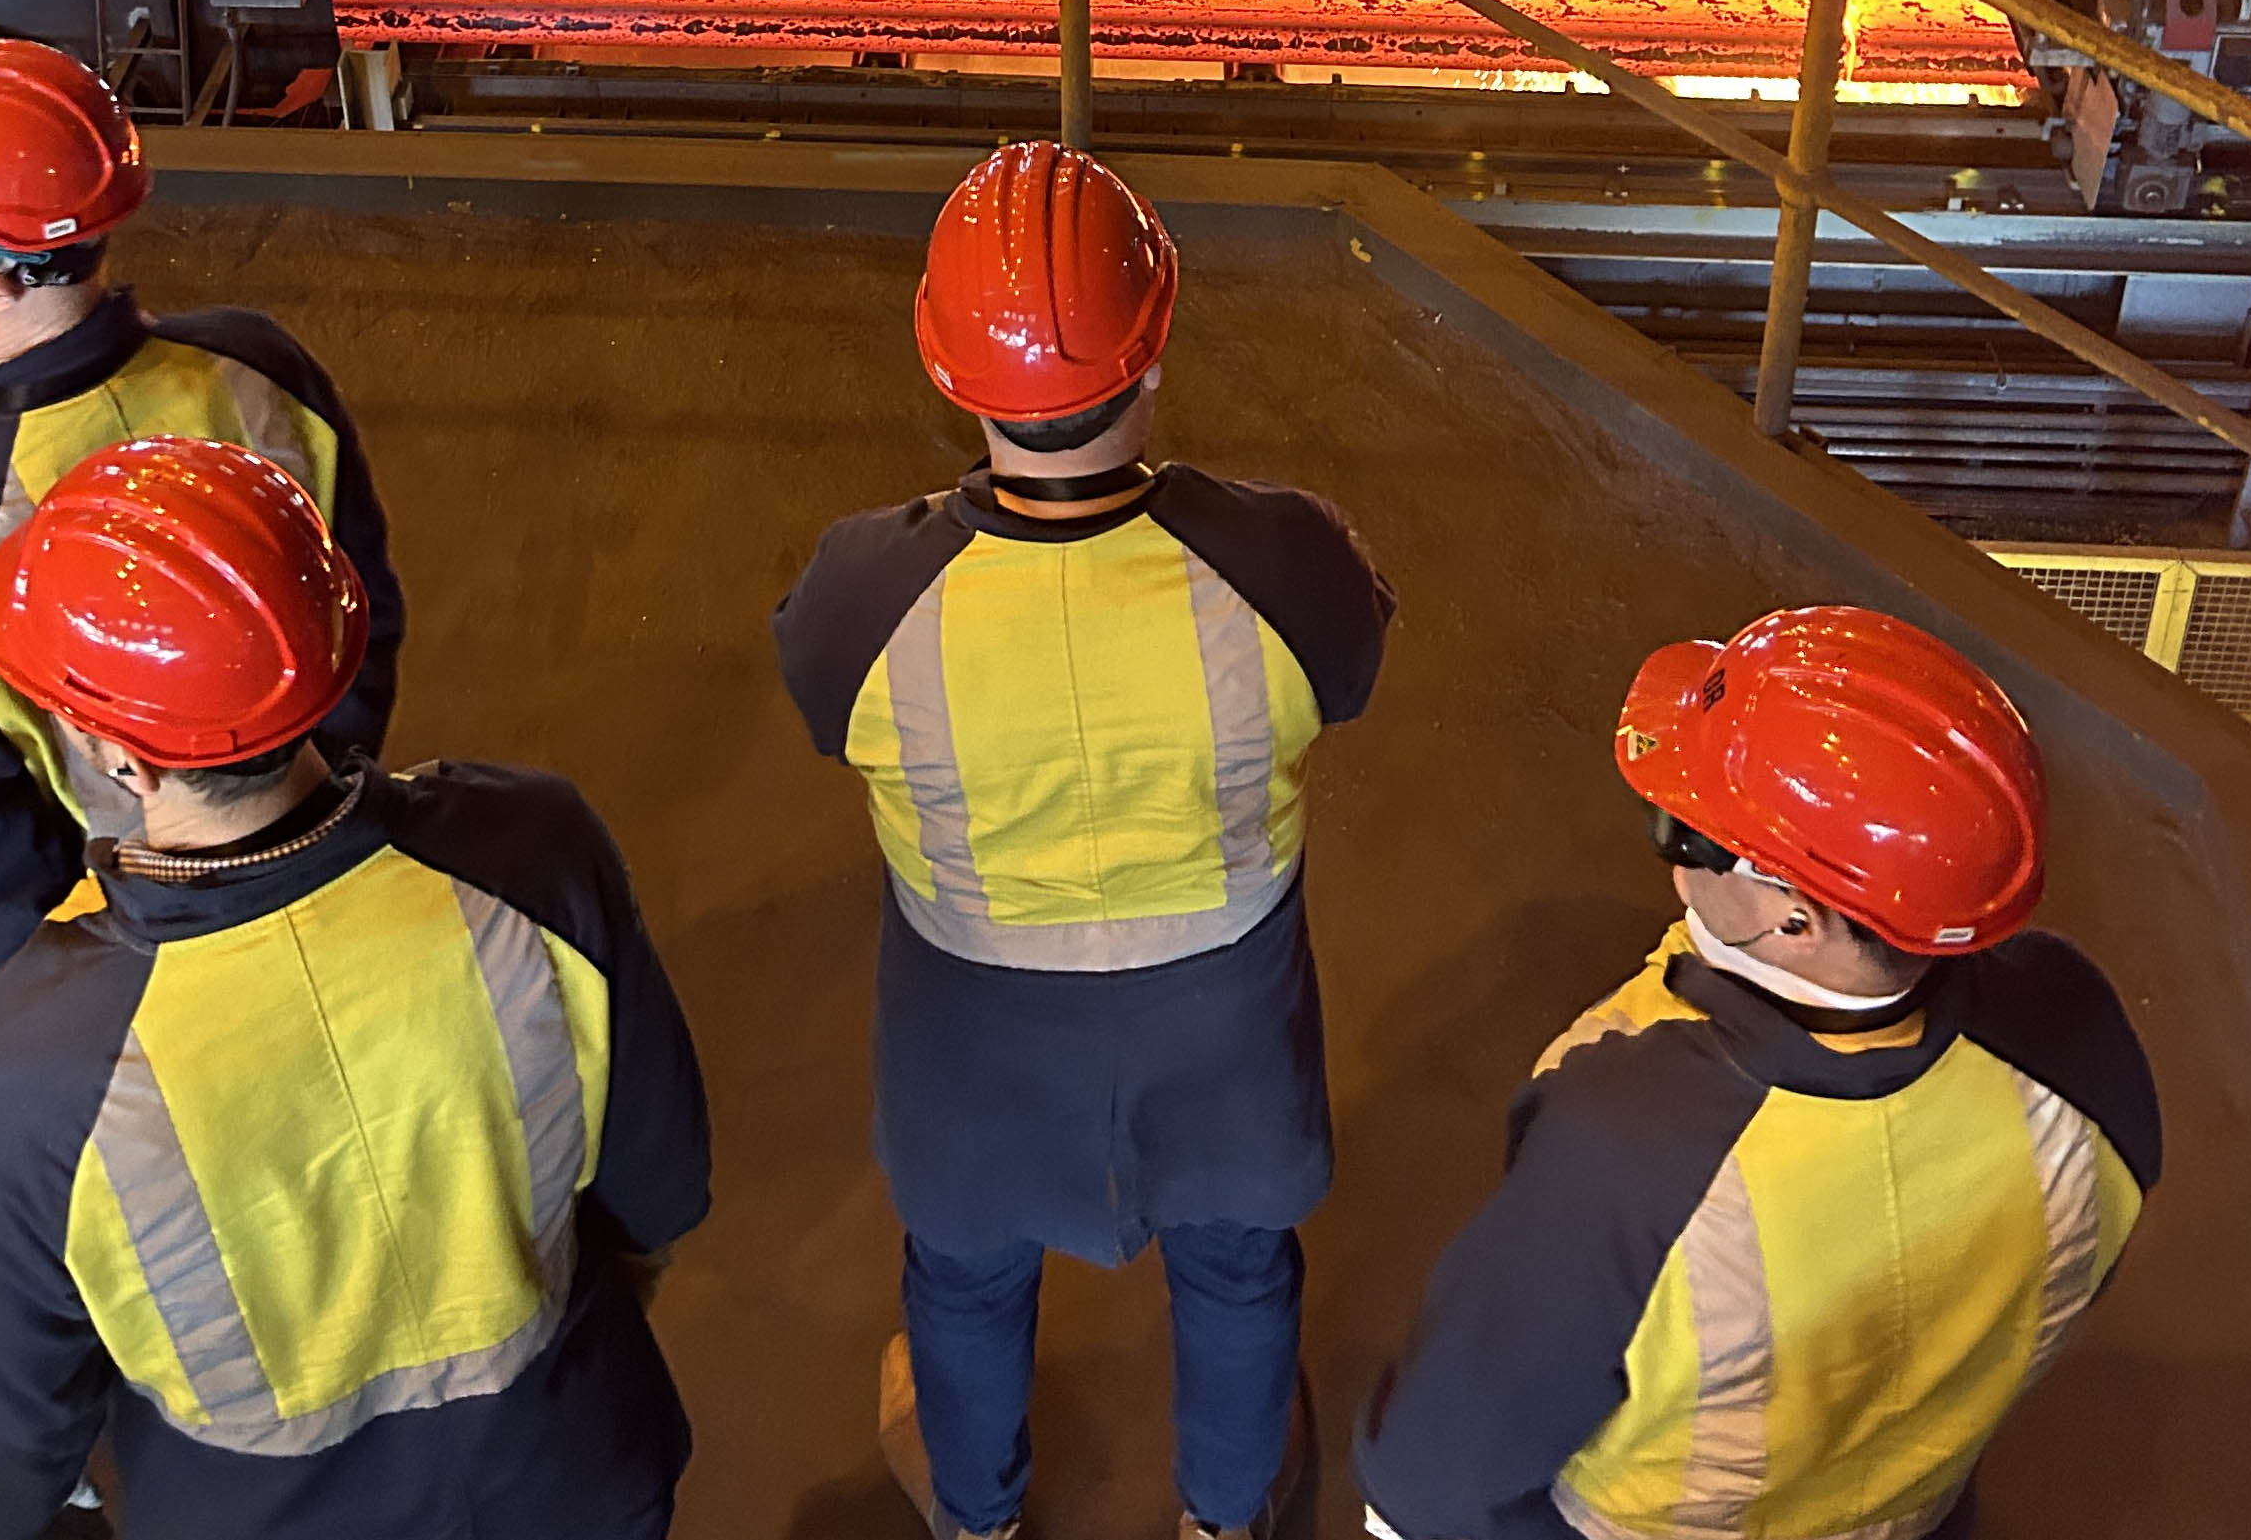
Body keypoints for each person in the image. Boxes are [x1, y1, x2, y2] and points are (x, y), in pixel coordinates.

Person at [0, 435, 709, 1540]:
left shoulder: (27, 1072)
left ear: (125, 759)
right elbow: (661, 1185)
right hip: (572, 1463)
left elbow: (0, 1466)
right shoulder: (534, 855)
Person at [774, 141, 1393, 1540]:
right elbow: (1350, 673)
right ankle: (1226, 1513)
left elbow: (819, 705)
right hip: (1225, 1009)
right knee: (1239, 1272)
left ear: (943, 364)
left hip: (974, 1025)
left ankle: (979, 1513)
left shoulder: (866, 590)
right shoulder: (1282, 563)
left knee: (965, 1274)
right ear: (1154, 347)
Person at [1354, 605, 2161, 1540]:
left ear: (1796, 921)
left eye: (1684, 832)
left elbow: (1435, 1483)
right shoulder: (2075, 1032)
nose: (1668, 840)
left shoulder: (1627, 1146)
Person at [0, 35, 404, 993]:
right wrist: (320, 780)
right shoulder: (261, 365)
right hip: (329, 824)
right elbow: (364, 606)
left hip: (138, 930)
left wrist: (40, 1018)